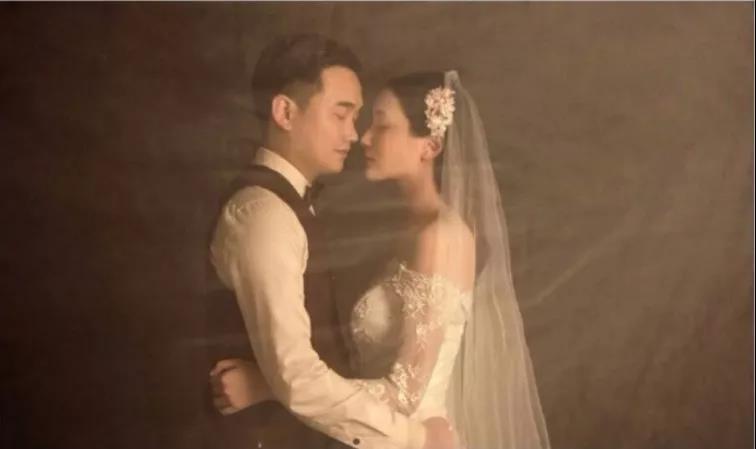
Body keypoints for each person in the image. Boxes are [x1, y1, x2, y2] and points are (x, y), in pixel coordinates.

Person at [212, 69, 552, 449]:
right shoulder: (411, 228)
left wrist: (272, 386)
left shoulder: (441, 236)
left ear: (429, 146)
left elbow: (404, 394)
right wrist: (281, 383)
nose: (364, 138)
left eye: (382, 126)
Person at [204, 34, 453, 449]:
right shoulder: (265, 216)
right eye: (341, 114)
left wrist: (265, 383)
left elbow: (302, 368)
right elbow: (298, 376)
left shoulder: (290, 206)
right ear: (285, 112)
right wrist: (413, 438)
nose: (354, 135)